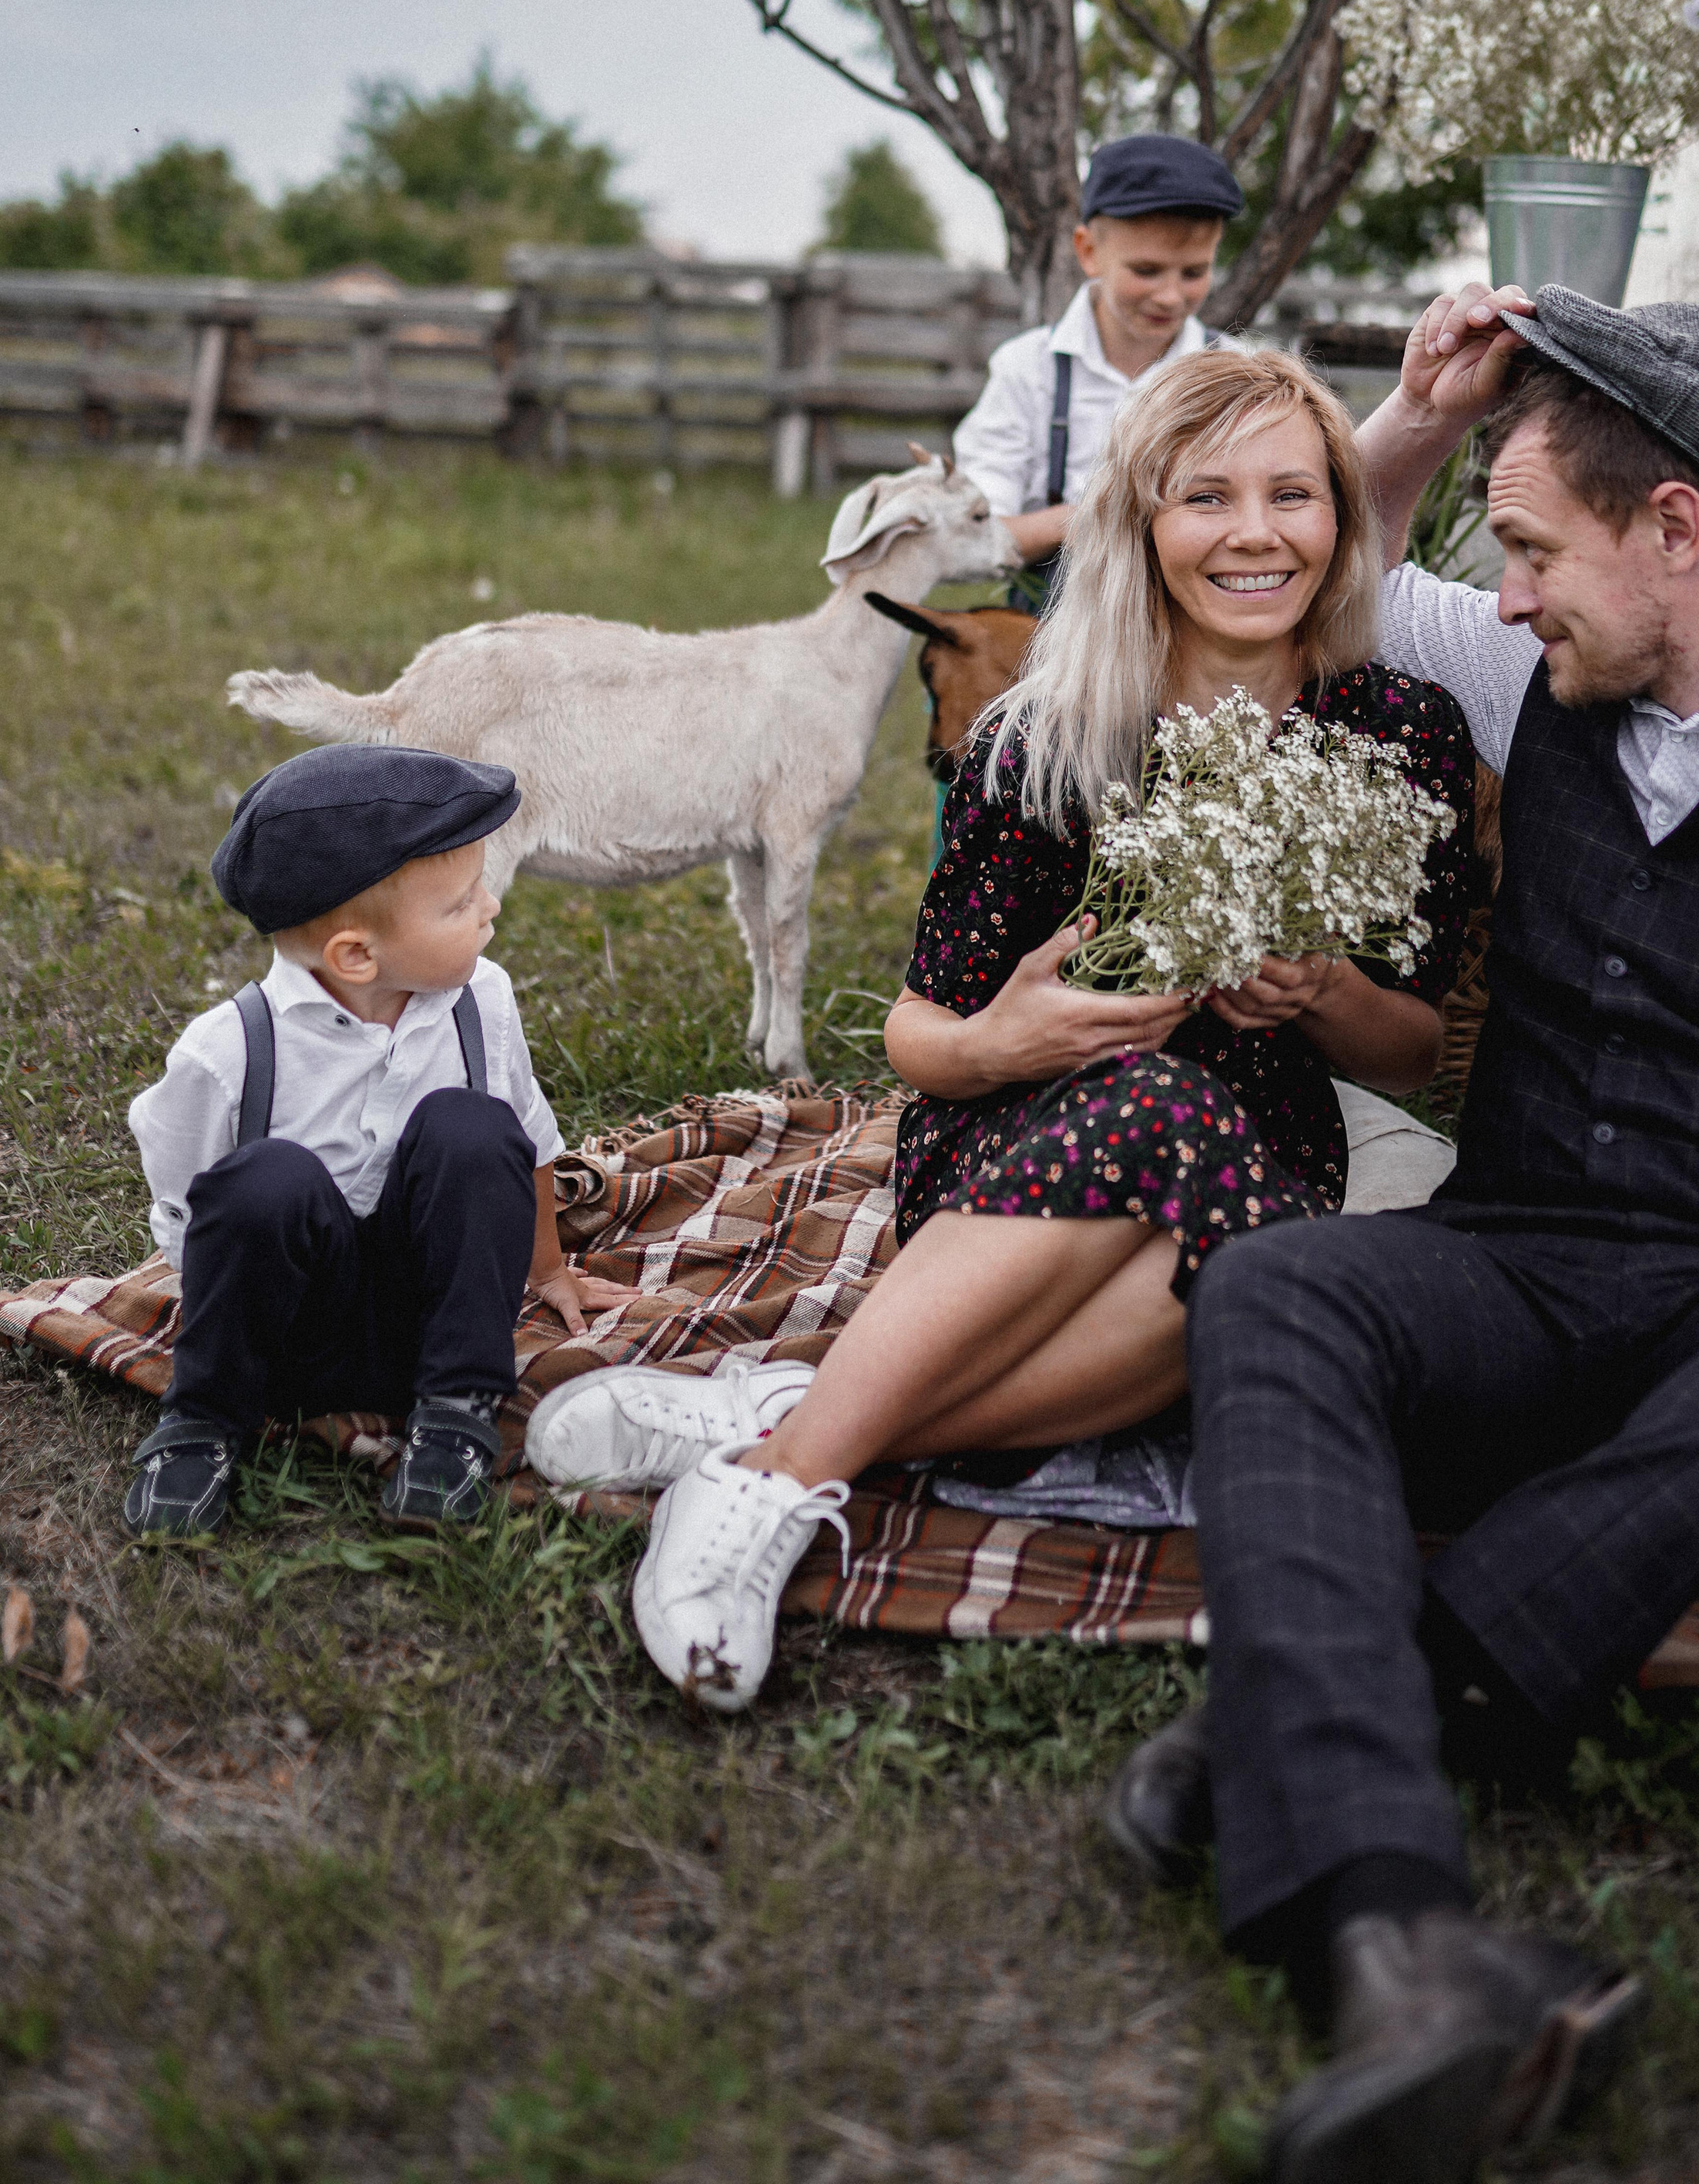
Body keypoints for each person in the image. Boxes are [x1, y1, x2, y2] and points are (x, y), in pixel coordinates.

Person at [1107, 282, 1699, 2184]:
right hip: (1516, 1268)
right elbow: (1333, 586)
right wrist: (1415, 415)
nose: (1492, 594)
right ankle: (1408, 1951)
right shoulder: (1537, 673)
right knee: (1279, 1281)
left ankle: (1360, 1686)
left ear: (1675, 530)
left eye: (1525, 548)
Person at [524, 347, 1476, 1706]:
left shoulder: (1398, 734)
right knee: (1161, 1107)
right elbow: (920, 1035)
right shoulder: (1046, 735)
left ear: (1342, 514)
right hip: (1007, 1148)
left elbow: (1410, 1050)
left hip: (1257, 1160)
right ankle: (786, 1486)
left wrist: (1324, 993)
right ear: (1143, 521)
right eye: (1207, 497)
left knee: (1255, 1283)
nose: (1257, 533)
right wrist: (1014, 1038)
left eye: (1295, 494)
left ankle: (780, 1430)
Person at [124, 742, 632, 1538]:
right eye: (461, 903)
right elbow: (189, 1209)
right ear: (356, 954)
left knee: (473, 1125)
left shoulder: (480, 1000)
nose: (490, 910)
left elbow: (527, 1142)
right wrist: (227, 1319)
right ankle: (203, 1421)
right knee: (264, 1179)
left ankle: (456, 1416)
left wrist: (548, 1268)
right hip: (290, 1341)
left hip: (437, 1327)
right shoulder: (228, 1052)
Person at [953, 130, 1242, 610]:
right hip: (1052, 633)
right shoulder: (1029, 370)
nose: (1171, 296)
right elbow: (972, 537)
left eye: (1193, 273)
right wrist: (1096, 514)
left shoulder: (1235, 372)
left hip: (1196, 625)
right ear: (1088, 252)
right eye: (1147, 271)